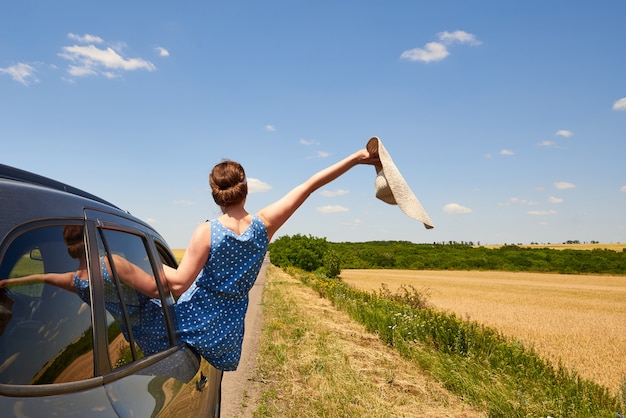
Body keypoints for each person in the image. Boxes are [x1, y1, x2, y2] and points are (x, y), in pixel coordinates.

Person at [161, 147, 380, 381]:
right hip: (224, 338)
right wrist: (357, 158)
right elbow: (309, 186)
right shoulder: (263, 226)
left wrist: (145, 261)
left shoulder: (207, 231)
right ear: (246, 188)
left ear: (215, 194)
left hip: (192, 324)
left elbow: (180, 282)